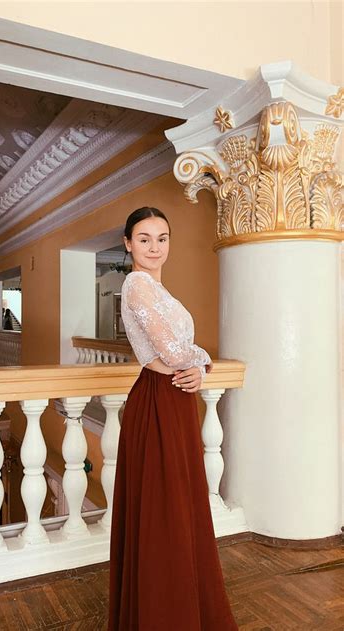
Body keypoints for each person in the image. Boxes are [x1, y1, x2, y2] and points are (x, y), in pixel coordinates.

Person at [108, 207, 238, 630]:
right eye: (144, 238)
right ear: (128, 244)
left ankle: (187, 608)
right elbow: (172, 351)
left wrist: (198, 366)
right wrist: (201, 362)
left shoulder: (159, 290)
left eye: (162, 238)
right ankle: (164, 613)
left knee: (181, 508)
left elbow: (181, 352)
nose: (154, 247)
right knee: (164, 513)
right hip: (159, 401)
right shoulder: (135, 284)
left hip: (176, 401)